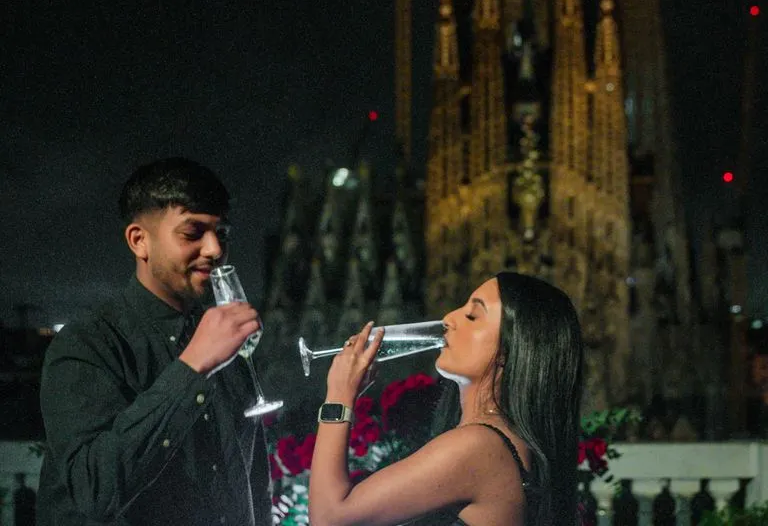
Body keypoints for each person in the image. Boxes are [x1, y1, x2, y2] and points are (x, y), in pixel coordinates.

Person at [37, 157, 272, 526]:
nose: (214, 248)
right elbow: (94, 491)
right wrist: (192, 368)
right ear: (139, 240)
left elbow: (250, 479)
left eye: (222, 233)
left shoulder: (224, 342)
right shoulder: (87, 344)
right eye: (193, 233)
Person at [309, 271, 584, 526]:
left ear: (508, 351)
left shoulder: (478, 447)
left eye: (472, 316)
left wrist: (339, 395)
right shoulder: (504, 446)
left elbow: (330, 517)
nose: (449, 318)